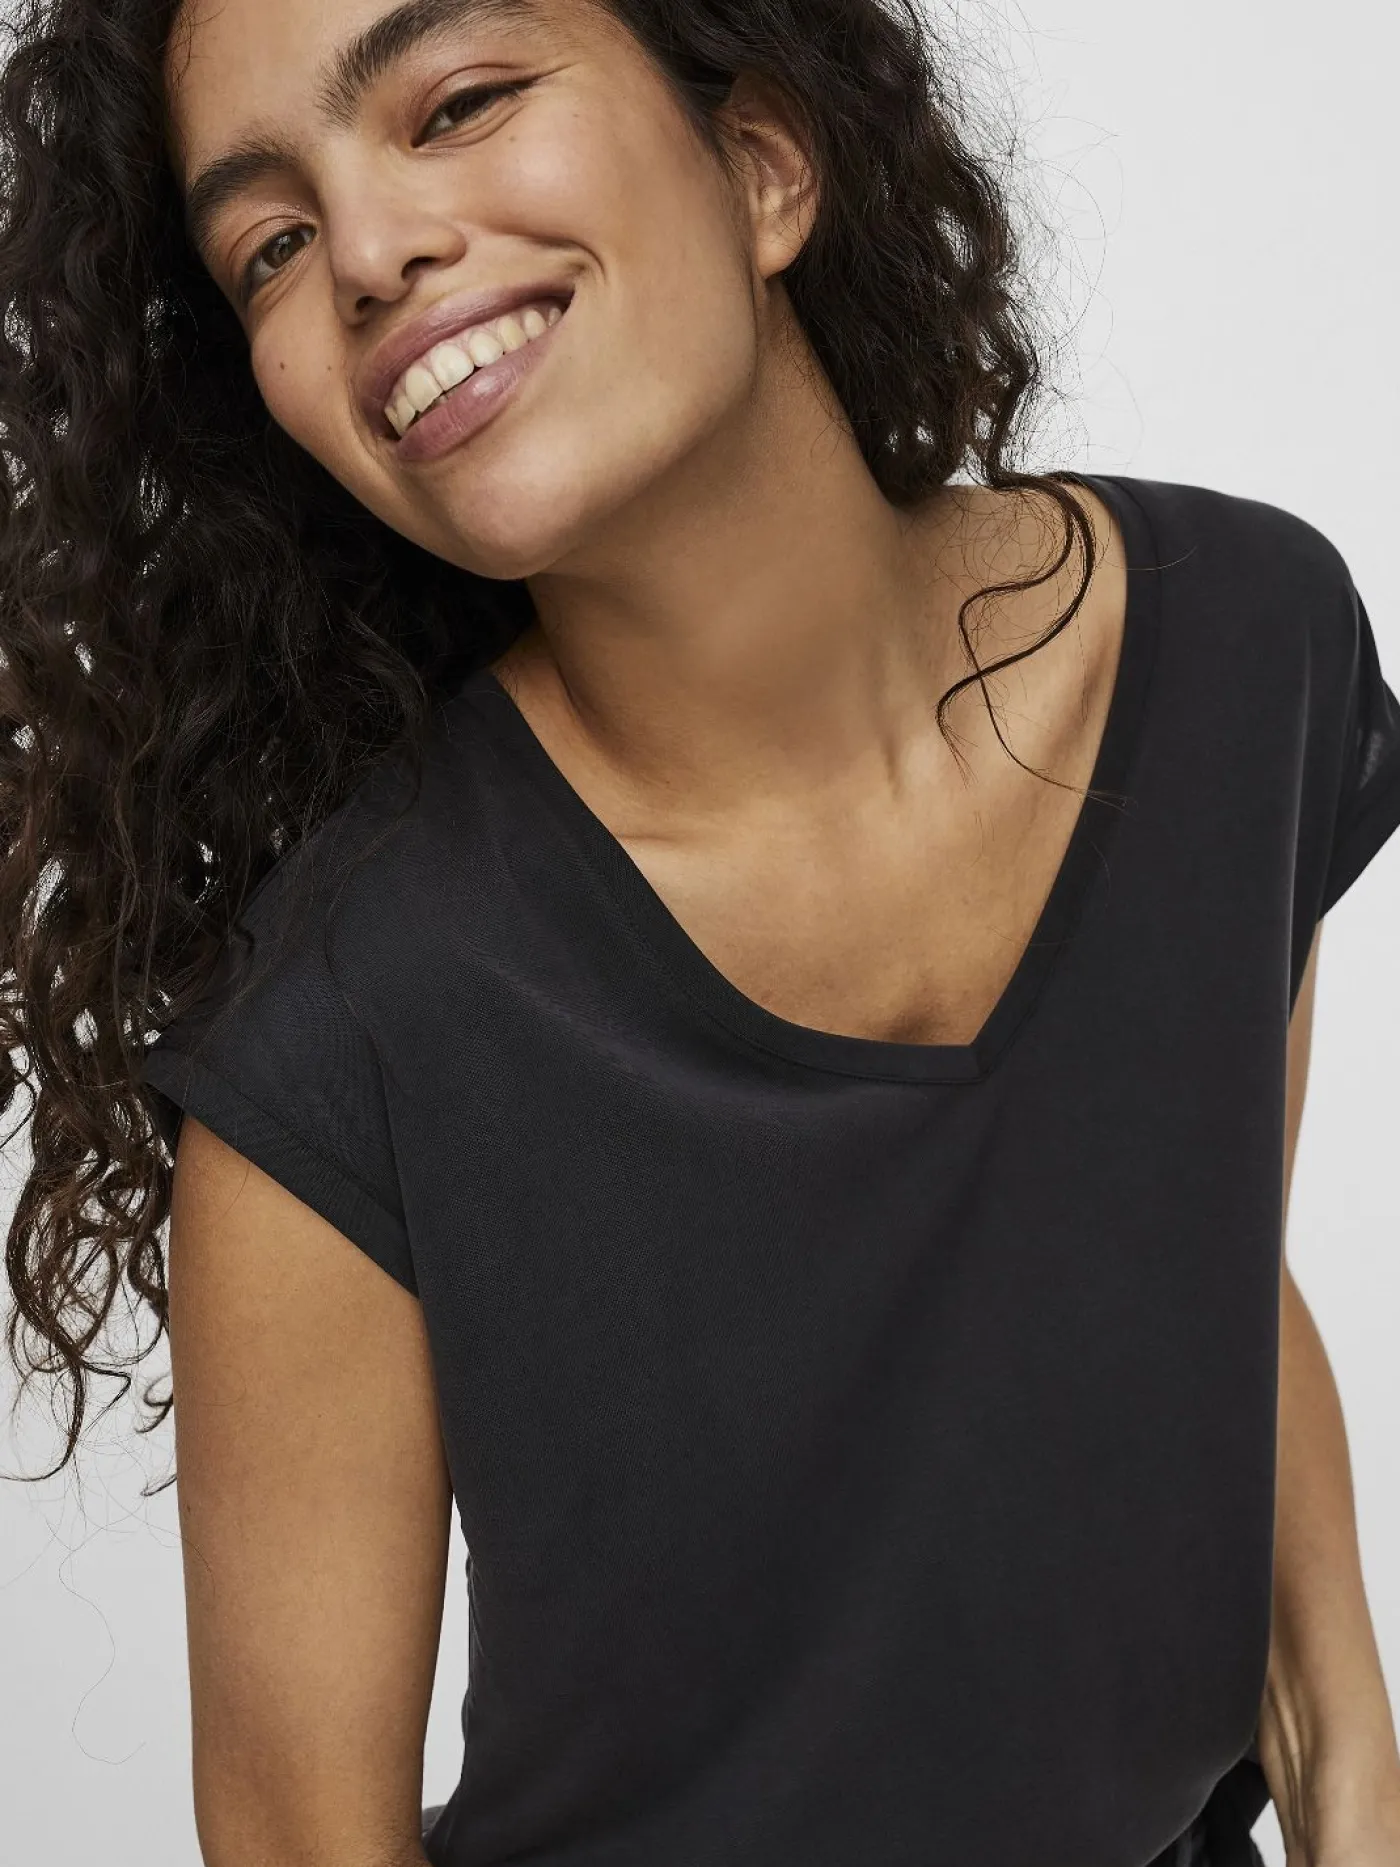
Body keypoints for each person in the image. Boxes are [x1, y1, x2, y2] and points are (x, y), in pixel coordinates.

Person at [1, 0, 1397, 1862]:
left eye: (458, 101)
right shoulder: (345, 1034)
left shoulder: (1242, 653)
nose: (366, 253)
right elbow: (299, 1839)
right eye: (270, 243)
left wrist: (1355, 1765)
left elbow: (1201, 1265)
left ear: (763, 162)